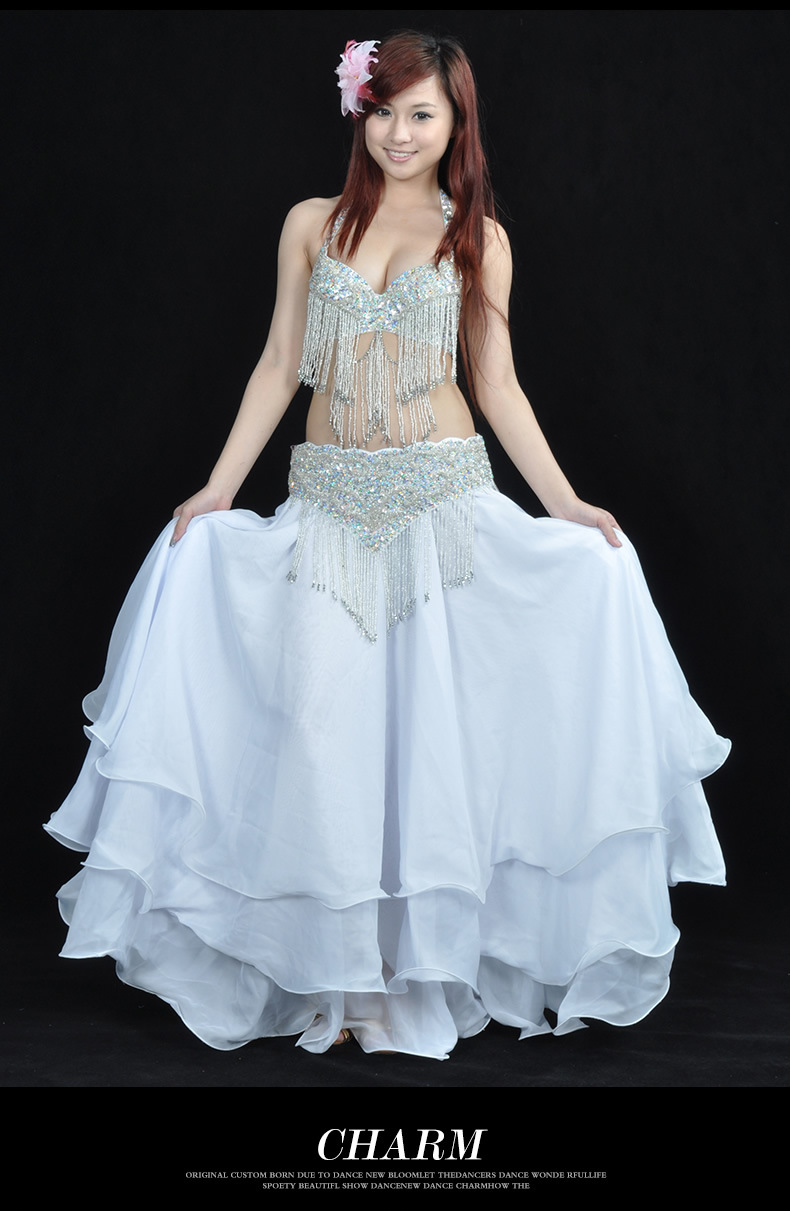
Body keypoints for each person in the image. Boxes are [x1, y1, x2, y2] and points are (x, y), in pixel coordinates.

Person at [44, 30, 729, 1060]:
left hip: (442, 507)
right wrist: (219, 487)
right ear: (357, 112)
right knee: (324, 742)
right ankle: (344, 980)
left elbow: (497, 384)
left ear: (455, 125)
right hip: (329, 507)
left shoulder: (478, 236)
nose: (399, 133)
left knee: (431, 753)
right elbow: (280, 361)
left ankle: (423, 973)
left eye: (422, 115)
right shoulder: (310, 223)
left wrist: (566, 502)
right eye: (383, 111)